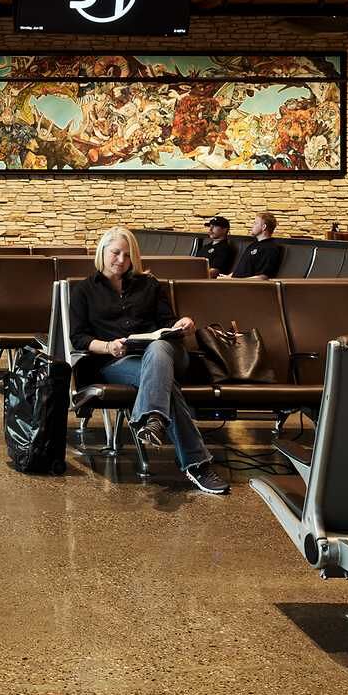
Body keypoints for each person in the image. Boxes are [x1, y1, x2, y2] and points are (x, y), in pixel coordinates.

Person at [68, 226, 226, 495]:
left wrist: (181, 323)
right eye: (116, 253)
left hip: (166, 352)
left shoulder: (149, 285)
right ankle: (197, 464)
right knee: (165, 385)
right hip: (119, 361)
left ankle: (149, 417)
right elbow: (79, 338)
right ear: (102, 251)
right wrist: (108, 346)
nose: (121, 260)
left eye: (127, 255)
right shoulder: (85, 290)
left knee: (158, 348)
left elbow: (167, 322)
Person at [228, 211, 284, 278]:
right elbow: (241, 270)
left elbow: (262, 277)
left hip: (246, 286)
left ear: (264, 227)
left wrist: (235, 281)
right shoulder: (253, 245)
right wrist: (228, 277)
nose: (252, 226)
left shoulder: (270, 248)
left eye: (255, 223)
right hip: (235, 283)